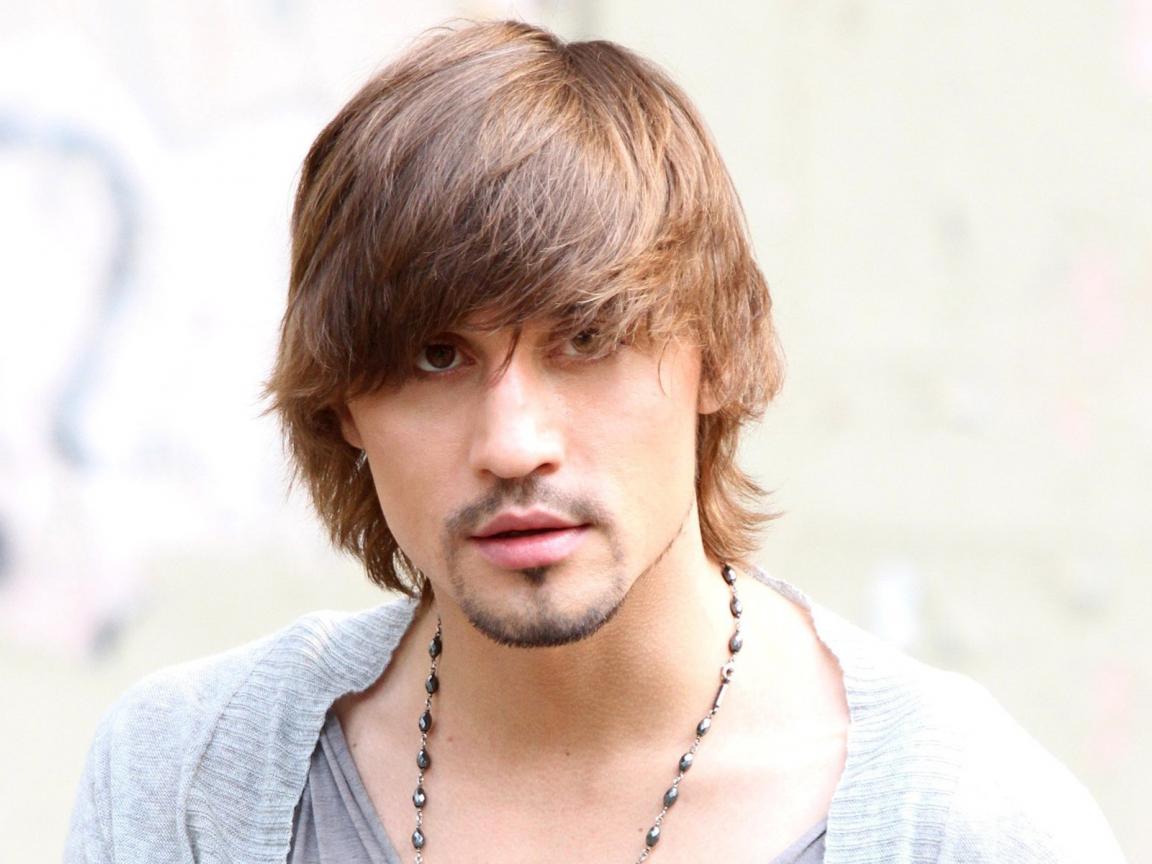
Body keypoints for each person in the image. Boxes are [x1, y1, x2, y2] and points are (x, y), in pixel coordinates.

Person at [66, 19, 1126, 864]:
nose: (513, 443)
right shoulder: (189, 785)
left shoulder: (967, 824)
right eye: (436, 356)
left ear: (716, 357)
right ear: (343, 406)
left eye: (585, 339)